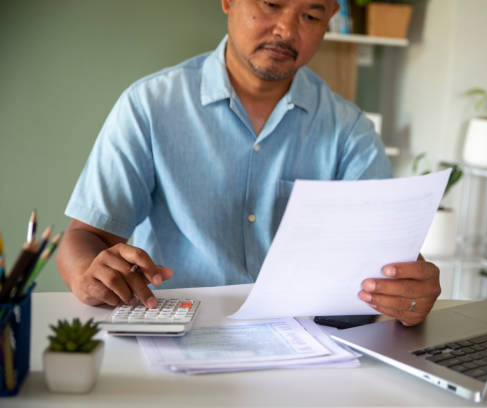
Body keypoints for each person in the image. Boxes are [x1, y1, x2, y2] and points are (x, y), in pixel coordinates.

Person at [57, 0, 441, 327]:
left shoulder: (349, 131)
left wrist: (407, 293)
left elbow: (381, 261)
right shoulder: (149, 106)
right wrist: (88, 275)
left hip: (304, 349)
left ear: (328, 23)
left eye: (311, 15)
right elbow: (85, 238)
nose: (287, 30)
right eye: (271, 4)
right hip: (176, 330)